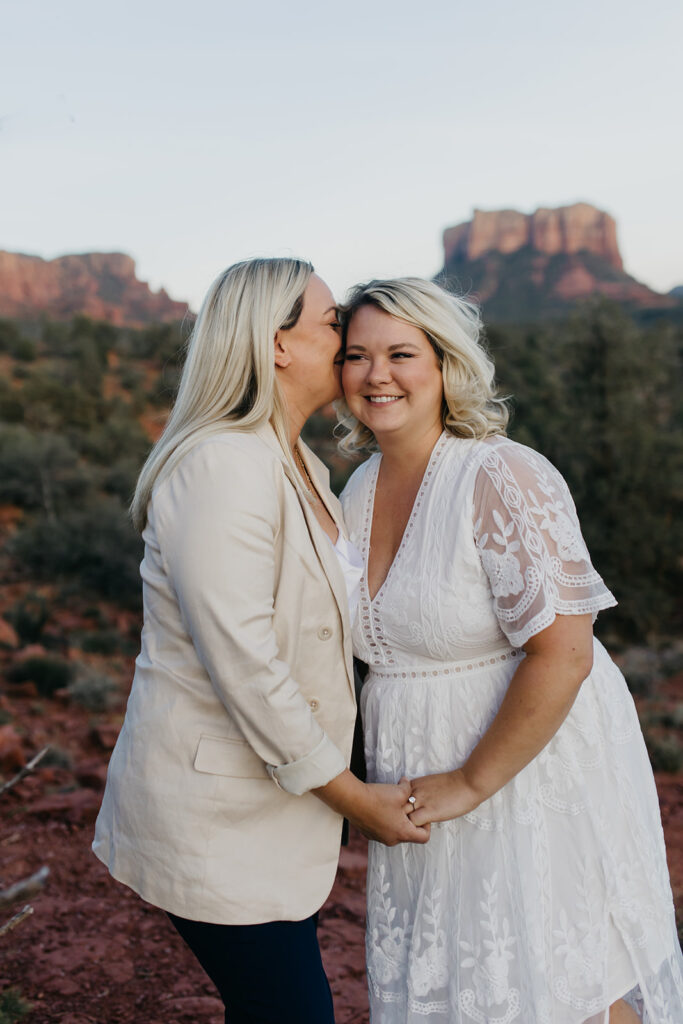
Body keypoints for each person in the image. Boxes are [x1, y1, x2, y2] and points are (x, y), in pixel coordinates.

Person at [337, 276, 683, 1024]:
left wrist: (469, 781)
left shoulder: (500, 474)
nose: (376, 375)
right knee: (465, 986)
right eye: (355, 356)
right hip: (417, 769)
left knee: (554, 989)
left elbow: (563, 651)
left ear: (445, 364)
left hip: (520, 763)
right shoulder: (359, 486)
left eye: (400, 353)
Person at [92, 258, 429, 1024]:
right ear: (277, 345)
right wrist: (353, 799)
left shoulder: (302, 464)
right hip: (215, 816)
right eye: (329, 321)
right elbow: (244, 661)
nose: (345, 335)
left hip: (275, 813)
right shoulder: (220, 464)